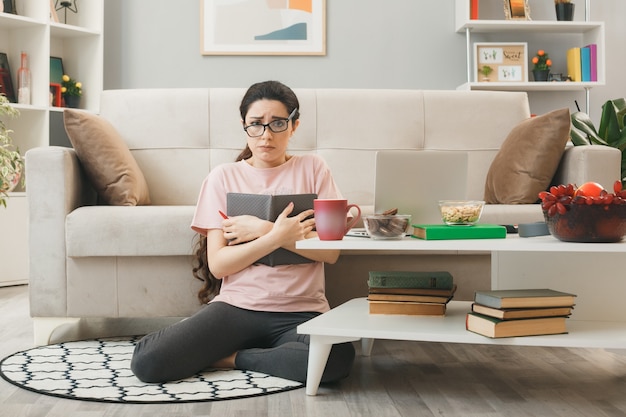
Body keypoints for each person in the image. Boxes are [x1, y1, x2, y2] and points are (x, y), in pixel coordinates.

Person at [131, 80, 355, 384]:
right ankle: (267, 354)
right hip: (238, 308)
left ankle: (234, 357)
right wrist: (277, 237)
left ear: (294, 125)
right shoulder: (223, 177)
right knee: (148, 362)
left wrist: (264, 229)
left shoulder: (314, 169)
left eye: (277, 124)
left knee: (337, 359)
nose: (266, 135)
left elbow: (331, 252)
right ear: (244, 126)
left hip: (302, 311)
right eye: (256, 125)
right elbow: (219, 264)